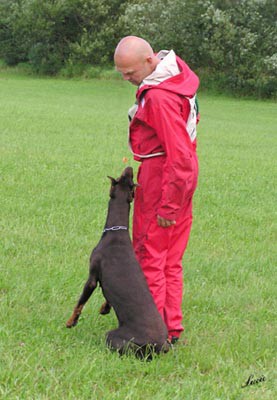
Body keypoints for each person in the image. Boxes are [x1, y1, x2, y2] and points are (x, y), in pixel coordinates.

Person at [114, 36, 200, 344]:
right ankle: (170, 329)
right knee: (169, 259)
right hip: (180, 178)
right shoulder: (176, 79)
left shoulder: (161, 97)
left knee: (150, 256)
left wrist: (168, 205)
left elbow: (178, 155)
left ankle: (149, 334)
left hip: (164, 177)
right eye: (122, 73)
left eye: (130, 73)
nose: (126, 79)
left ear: (150, 61)